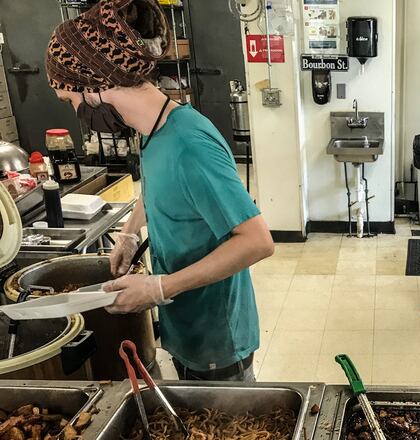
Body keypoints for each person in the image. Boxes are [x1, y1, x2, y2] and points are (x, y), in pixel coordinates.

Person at [45, 0, 275, 382]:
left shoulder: (189, 145)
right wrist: (129, 233)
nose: (76, 112)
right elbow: (158, 188)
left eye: (71, 100)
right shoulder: (153, 130)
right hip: (186, 323)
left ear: (94, 84)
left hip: (216, 335)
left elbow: (257, 241)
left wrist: (159, 287)